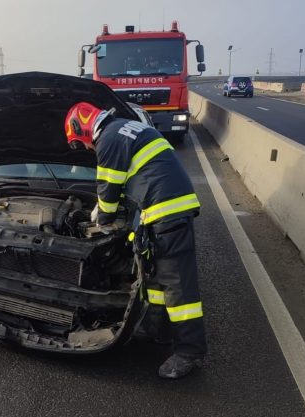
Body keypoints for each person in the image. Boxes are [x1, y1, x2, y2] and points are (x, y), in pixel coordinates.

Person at [64, 102, 207, 379]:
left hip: (167, 212)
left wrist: (99, 221)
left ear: (81, 128)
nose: (87, 149)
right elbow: (122, 185)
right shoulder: (123, 129)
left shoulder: (108, 140)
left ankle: (189, 352)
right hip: (161, 211)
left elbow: (108, 195)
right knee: (157, 280)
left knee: (179, 287)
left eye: (81, 144)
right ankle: (158, 331)